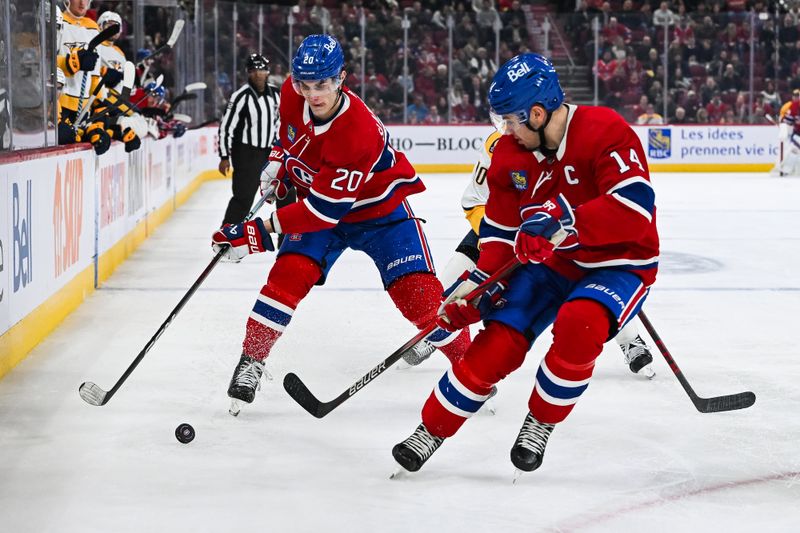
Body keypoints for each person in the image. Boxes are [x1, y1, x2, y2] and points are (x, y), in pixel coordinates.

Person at [392, 53, 659, 475]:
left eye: (512, 122)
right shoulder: (510, 158)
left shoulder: (604, 129)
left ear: (537, 113)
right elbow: (497, 234)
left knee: (580, 323)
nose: (507, 132)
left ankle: (540, 421)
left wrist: (564, 217)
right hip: (551, 266)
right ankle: (432, 429)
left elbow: (635, 207)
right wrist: (477, 287)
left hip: (618, 262)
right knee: (498, 342)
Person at [210, 35, 471, 415]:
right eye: (305, 84)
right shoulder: (290, 92)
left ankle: (470, 368)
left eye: (324, 84)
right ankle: (252, 360)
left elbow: (320, 212)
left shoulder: (357, 132)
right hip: (324, 207)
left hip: (379, 213)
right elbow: (287, 136)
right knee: (288, 275)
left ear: (341, 78)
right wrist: (278, 164)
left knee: (418, 297)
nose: (313, 93)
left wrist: (254, 235)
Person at [430, 131, 655, 377]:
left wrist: (553, 227)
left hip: (549, 230)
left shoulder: (564, 140)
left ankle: (629, 339)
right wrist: (501, 238)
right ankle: (436, 334)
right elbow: (474, 201)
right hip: (499, 231)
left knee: (593, 288)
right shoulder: (497, 146)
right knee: (453, 278)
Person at [218, 53, 282, 225]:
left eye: (261, 70)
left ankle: (288, 240)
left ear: (268, 72)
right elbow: (226, 128)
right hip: (247, 154)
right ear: (247, 72)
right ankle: (227, 237)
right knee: (243, 198)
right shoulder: (240, 96)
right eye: (253, 70)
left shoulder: (277, 94)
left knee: (286, 193)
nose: (258, 74)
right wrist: (224, 156)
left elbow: (283, 122)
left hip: (271, 152)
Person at [56, 0, 100, 126]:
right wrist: (71, 63)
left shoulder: (93, 27)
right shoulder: (57, 20)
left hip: (84, 105)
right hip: (59, 100)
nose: (82, 3)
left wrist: (98, 104)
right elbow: (46, 61)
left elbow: (95, 74)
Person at [96, 11, 126, 93]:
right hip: (99, 96)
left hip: (118, 99)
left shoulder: (120, 53)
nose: (113, 29)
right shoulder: (95, 46)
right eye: (109, 25)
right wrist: (103, 72)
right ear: (100, 25)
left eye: (116, 26)